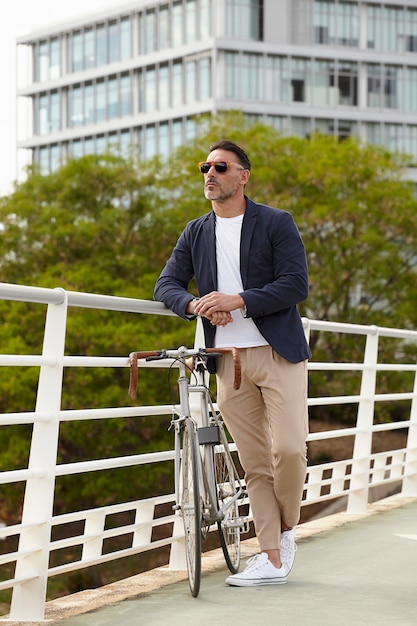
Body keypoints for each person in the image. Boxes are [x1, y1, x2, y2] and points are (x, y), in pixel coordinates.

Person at [154, 139, 310, 587]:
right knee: (256, 461)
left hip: (278, 352)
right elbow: (166, 284)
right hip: (227, 359)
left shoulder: (276, 223)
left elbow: (295, 284)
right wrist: (196, 305)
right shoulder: (195, 231)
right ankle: (272, 558)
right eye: (205, 167)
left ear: (242, 176)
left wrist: (238, 301)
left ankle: (283, 529)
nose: (210, 174)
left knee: (289, 450)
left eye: (220, 167)